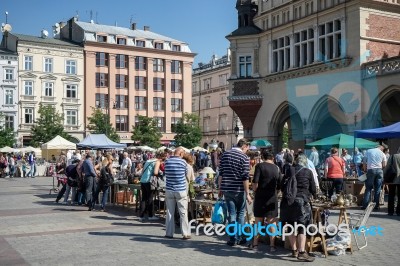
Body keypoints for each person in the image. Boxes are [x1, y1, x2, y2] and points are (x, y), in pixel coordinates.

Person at [280, 154, 316, 262]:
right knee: (302, 226)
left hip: (288, 201)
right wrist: (313, 195)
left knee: (290, 225)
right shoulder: (308, 172)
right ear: (305, 162)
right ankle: (301, 252)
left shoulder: (290, 170)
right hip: (301, 201)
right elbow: (313, 188)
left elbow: (282, 186)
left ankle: (294, 250)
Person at [218, 138, 252, 247]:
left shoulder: (225, 154)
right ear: (244, 146)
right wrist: (247, 193)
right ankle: (241, 237)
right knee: (240, 214)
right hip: (239, 190)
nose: (247, 151)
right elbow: (245, 177)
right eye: (247, 148)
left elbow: (221, 173)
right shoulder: (244, 157)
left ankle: (232, 238)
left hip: (227, 189)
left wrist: (220, 188)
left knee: (231, 214)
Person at [250, 150, 280, 252]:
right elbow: (279, 184)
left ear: (263, 157)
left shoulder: (260, 166)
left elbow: (255, 182)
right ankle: (272, 246)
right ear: (273, 158)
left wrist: (255, 190)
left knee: (258, 221)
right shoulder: (276, 168)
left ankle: (255, 245)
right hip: (272, 196)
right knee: (272, 222)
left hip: (260, 196)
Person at [164, 147, 189, 239]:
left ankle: (169, 233)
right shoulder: (183, 162)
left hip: (169, 189)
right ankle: (185, 233)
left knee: (170, 212)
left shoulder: (167, 162)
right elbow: (186, 174)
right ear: (181, 154)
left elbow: (166, 173)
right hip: (181, 190)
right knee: (183, 212)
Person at [362, 145, 387, 211]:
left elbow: (364, 161)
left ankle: (365, 205)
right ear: (382, 148)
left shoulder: (369, 151)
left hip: (370, 170)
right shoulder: (382, 153)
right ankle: (376, 206)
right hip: (379, 170)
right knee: (377, 189)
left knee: (368, 188)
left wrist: (364, 169)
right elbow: (384, 165)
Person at [385, 147, 400, 216]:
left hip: (392, 178)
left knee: (391, 195)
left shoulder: (393, 156)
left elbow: (387, 167)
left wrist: (384, 176)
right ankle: (399, 211)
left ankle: (390, 211)